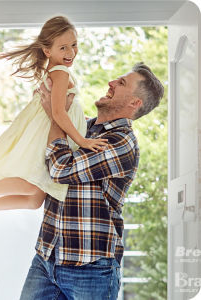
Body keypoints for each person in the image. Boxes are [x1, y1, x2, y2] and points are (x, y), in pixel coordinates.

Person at [18, 61, 164, 300]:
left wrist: (57, 115)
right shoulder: (83, 128)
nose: (111, 82)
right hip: (46, 258)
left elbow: (60, 169)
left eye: (121, 83)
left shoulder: (121, 142)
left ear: (134, 103)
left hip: (91, 267)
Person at [0, 15, 107, 222]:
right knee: (29, 184)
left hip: (48, 127)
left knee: (34, 200)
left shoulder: (53, 70)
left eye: (74, 45)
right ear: (48, 51)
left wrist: (81, 118)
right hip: (46, 132)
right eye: (63, 48)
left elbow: (65, 108)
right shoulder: (61, 73)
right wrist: (83, 141)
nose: (71, 52)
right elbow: (58, 112)